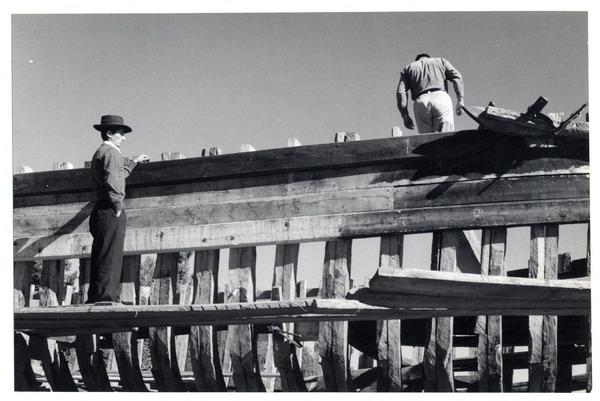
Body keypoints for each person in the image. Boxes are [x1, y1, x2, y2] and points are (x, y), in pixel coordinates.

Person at [88, 114, 150, 303]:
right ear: (109, 133)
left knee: (103, 253)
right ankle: (107, 298)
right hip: (110, 209)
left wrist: (133, 162)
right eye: (121, 134)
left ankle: (98, 296)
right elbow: (114, 181)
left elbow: (117, 174)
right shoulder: (111, 152)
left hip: (101, 209)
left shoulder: (101, 152)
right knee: (111, 255)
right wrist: (117, 206)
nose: (124, 138)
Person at [397, 53, 465, 133]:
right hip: (441, 99)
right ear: (429, 57)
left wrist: (405, 115)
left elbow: (401, 92)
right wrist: (460, 99)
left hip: (421, 101)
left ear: (417, 60)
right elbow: (457, 77)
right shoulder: (441, 61)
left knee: (426, 139)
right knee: (446, 135)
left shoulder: (408, 68)